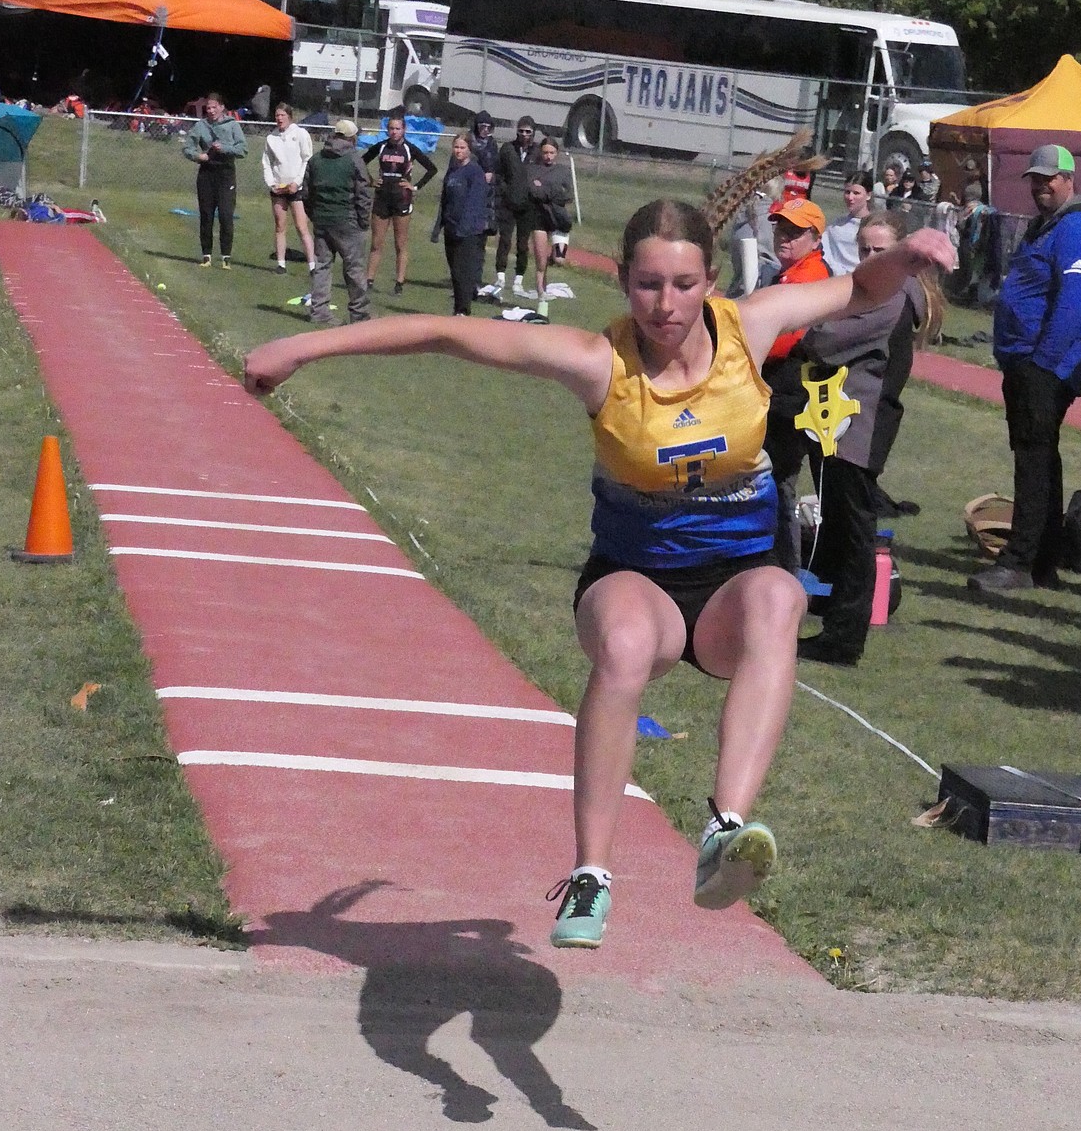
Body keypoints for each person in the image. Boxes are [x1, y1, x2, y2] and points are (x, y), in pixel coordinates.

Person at [242, 198, 954, 949]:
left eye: (683, 284)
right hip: (636, 580)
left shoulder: (754, 325)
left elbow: (862, 289)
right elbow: (443, 334)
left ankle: (726, 830)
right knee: (621, 646)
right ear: (623, 281)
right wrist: (304, 347)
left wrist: (905, 256)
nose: (665, 305)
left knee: (780, 593)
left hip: (731, 593)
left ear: (711, 280)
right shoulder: (597, 361)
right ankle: (591, 875)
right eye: (648, 285)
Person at [797, 212, 943, 664]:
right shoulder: (885, 290)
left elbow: (827, 340)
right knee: (842, 522)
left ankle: (844, 635)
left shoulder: (896, 294)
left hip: (860, 423)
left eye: (881, 251)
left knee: (855, 528)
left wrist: (801, 321)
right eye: (864, 251)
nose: (871, 259)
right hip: (843, 418)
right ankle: (837, 615)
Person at [969, 144, 1081, 594]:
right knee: (1038, 461)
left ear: (1070, 179)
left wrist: (1042, 363)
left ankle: (1020, 562)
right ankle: (1041, 562)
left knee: (1033, 464)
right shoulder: (1047, 226)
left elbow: (1076, 302)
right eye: (1035, 177)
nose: (1040, 185)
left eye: (1049, 177)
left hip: (1044, 365)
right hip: (1029, 362)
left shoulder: (1078, 229)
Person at [761, 197, 831, 570]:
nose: (784, 237)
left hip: (793, 401)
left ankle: (783, 572)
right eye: (780, 228)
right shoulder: (789, 275)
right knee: (772, 484)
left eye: (794, 231)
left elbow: (779, 341)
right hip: (782, 396)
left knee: (778, 487)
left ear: (815, 238)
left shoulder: (810, 278)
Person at [303, 117, 372, 328]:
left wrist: (315, 215)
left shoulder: (316, 159)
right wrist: (363, 220)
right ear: (352, 138)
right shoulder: (353, 159)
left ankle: (319, 311)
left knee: (322, 266)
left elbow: (306, 193)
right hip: (347, 220)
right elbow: (363, 193)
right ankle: (359, 314)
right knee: (354, 268)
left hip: (322, 220)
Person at [362, 111, 438, 296]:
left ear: (404, 130)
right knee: (376, 243)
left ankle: (399, 283)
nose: (394, 132)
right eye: (391, 128)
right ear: (387, 130)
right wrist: (371, 181)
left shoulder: (410, 149)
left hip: (401, 199)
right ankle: (368, 281)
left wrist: (415, 187)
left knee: (400, 243)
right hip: (382, 198)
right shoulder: (381, 147)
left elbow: (431, 169)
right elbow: (360, 162)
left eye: (398, 128)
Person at [182, 89, 247, 270]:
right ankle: (206, 256)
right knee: (206, 215)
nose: (210, 111)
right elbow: (187, 148)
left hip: (226, 173)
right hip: (207, 174)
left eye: (213, 107)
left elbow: (243, 149)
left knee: (226, 215)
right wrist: (198, 156)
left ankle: (226, 257)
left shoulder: (232, 125)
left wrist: (225, 148)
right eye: (208, 108)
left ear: (222, 108)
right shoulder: (200, 126)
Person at [438, 131, 490, 315]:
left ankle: (463, 310)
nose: (458, 151)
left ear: (469, 149)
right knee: (454, 272)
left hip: (468, 231)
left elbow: (474, 203)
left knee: (463, 272)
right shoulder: (453, 170)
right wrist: (439, 225)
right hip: (451, 228)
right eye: (456, 147)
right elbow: (445, 198)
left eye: (462, 147)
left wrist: (464, 228)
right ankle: (457, 309)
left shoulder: (475, 172)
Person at [261, 102, 315, 275]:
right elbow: (266, 163)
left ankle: (313, 265)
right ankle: (281, 264)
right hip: (278, 187)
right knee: (280, 226)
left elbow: (307, 159)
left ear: (289, 116)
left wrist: (297, 183)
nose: (279, 119)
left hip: (295, 188)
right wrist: (271, 184)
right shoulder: (271, 138)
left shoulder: (300, 134)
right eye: (277, 116)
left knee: (301, 226)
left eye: (282, 115)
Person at [525, 135, 573, 318]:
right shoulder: (532, 169)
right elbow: (532, 191)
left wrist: (545, 190)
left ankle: (554, 255)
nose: (548, 156)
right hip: (539, 219)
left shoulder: (563, 171)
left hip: (559, 220)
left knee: (560, 261)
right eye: (545, 152)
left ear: (557, 154)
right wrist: (551, 192)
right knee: (540, 263)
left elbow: (567, 195)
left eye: (552, 153)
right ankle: (541, 297)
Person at [494, 115, 539, 299]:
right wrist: (505, 190)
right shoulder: (507, 149)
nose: (524, 134)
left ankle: (518, 279)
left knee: (522, 244)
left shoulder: (537, 152)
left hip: (528, 205)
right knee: (505, 240)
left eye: (528, 131)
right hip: (508, 203)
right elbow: (499, 173)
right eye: (521, 131)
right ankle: (500, 277)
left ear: (533, 133)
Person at [468, 109, 500, 285]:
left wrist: (492, 176)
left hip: (486, 200)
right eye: (482, 126)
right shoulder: (467, 142)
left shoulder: (492, 145)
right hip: (468, 196)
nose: (485, 130)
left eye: (488, 127)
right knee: (466, 242)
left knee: (481, 242)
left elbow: (498, 171)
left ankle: (477, 280)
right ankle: (463, 279)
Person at [822, 170, 874, 275]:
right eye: (847, 192)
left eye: (856, 193)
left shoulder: (875, 226)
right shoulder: (836, 225)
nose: (850, 197)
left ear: (868, 195)